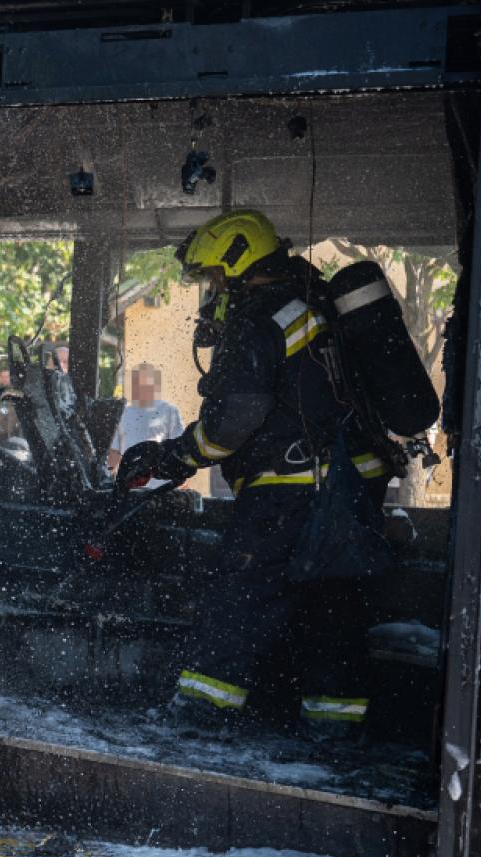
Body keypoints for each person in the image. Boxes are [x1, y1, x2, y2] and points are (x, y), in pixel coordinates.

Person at [116, 209, 389, 741]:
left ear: (236, 265)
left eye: (213, 276)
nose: (212, 289)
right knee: (331, 607)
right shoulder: (310, 306)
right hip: (347, 490)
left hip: (288, 493)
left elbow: (231, 422)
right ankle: (335, 733)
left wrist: (174, 458)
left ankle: (197, 718)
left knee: (237, 598)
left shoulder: (259, 315)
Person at [107, 364, 184, 487]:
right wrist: (106, 475)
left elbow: (180, 449)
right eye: (135, 382)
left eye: (144, 382)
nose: (139, 386)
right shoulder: (122, 413)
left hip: (161, 488)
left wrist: (180, 480)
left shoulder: (169, 411)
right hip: (129, 487)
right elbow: (115, 452)